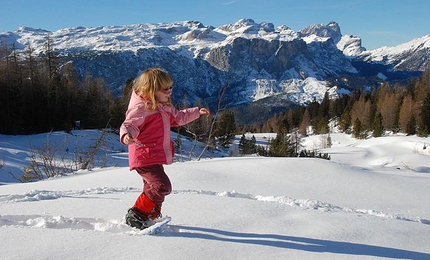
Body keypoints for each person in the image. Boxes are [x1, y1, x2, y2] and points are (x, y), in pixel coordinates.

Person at [119, 68, 210, 229]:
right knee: (162, 186)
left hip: (153, 155)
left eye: (171, 88)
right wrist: (127, 135)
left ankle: (148, 214)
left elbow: (179, 117)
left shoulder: (162, 107)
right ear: (151, 90)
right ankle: (137, 214)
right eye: (165, 89)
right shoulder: (141, 109)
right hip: (143, 155)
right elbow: (130, 124)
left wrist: (196, 112)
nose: (169, 92)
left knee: (151, 187)